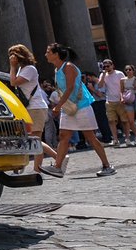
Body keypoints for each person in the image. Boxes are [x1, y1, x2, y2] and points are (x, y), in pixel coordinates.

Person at [39, 43, 115, 178]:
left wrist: (58, 106)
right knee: (63, 136)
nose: (45, 55)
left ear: (56, 54)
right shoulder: (57, 70)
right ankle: (58, 167)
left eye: (48, 52)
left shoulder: (68, 67)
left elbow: (70, 88)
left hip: (81, 106)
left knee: (90, 138)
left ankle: (107, 166)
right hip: (69, 108)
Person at [8, 44, 57, 173]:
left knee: (35, 140)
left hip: (36, 107)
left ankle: (58, 158)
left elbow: (13, 82)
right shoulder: (22, 69)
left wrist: (12, 67)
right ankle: (37, 168)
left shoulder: (29, 69)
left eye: (13, 56)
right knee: (31, 140)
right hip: (30, 108)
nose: (12, 58)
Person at [96, 59, 132, 147]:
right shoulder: (103, 75)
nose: (107, 68)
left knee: (124, 120)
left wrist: (123, 96)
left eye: (108, 66)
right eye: (105, 66)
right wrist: (104, 74)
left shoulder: (119, 74)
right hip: (109, 101)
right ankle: (115, 139)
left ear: (112, 65)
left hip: (120, 100)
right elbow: (100, 86)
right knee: (111, 121)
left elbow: (125, 84)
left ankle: (127, 138)